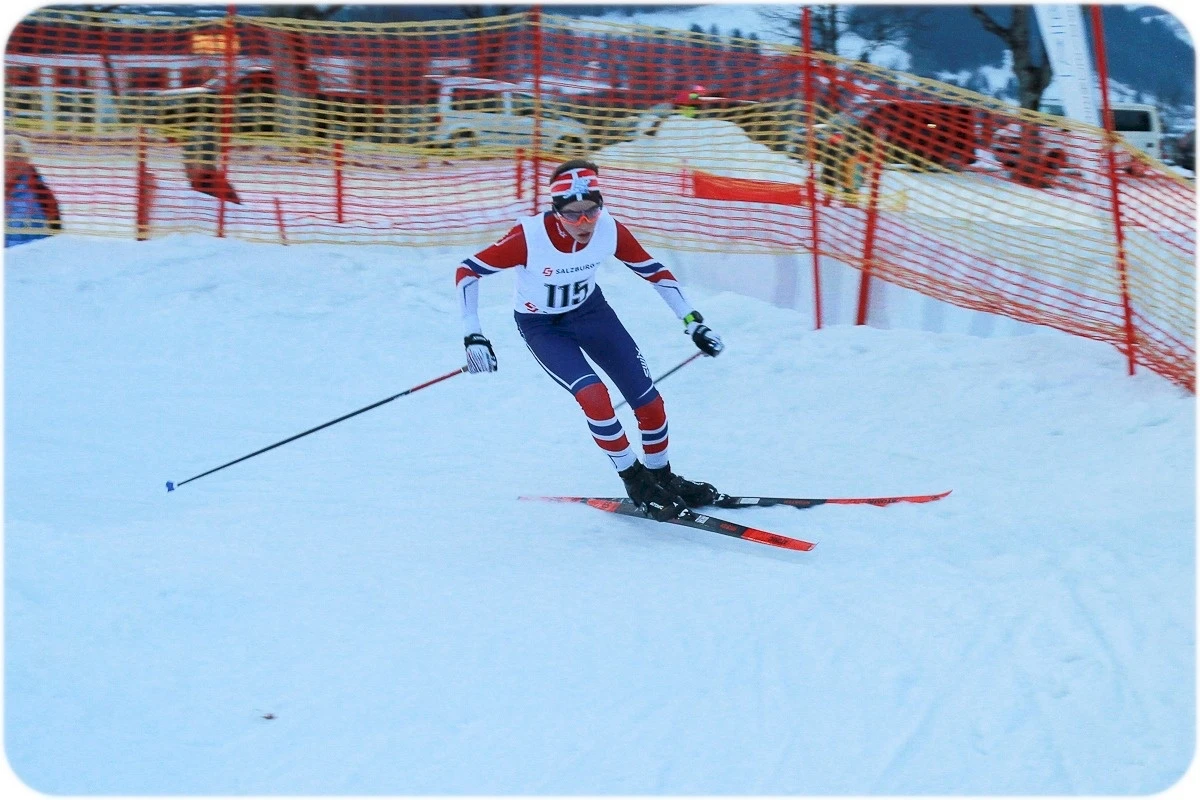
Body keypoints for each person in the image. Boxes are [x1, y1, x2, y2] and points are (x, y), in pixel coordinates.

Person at [454, 159, 725, 521]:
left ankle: (662, 478)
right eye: (572, 214)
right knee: (594, 396)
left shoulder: (608, 228)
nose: (584, 222)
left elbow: (654, 271)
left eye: (591, 211)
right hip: (543, 327)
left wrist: (692, 322)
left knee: (649, 403)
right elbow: (468, 270)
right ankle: (636, 480)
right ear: (556, 211)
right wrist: (473, 333)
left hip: (592, 315)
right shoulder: (529, 237)